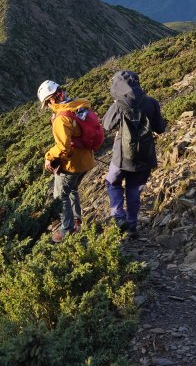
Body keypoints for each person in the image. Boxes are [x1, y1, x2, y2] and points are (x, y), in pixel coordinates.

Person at [101, 70, 166, 235]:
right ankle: (132, 225)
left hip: (121, 156)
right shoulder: (151, 102)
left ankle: (118, 216)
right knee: (134, 189)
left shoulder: (118, 104)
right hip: (145, 154)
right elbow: (160, 128)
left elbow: (107, 125)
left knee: (112, 182)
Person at [37, 80, 97, 243]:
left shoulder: (61, 118)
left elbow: (63, 147)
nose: (48, 106)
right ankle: (77, 222)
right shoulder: (77, 106)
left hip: (73, 164)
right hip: (86, 160)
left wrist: (49, 156)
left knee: (59, 196)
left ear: (51, 99)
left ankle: (66, 230)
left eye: (47, 103)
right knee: (72, 190)